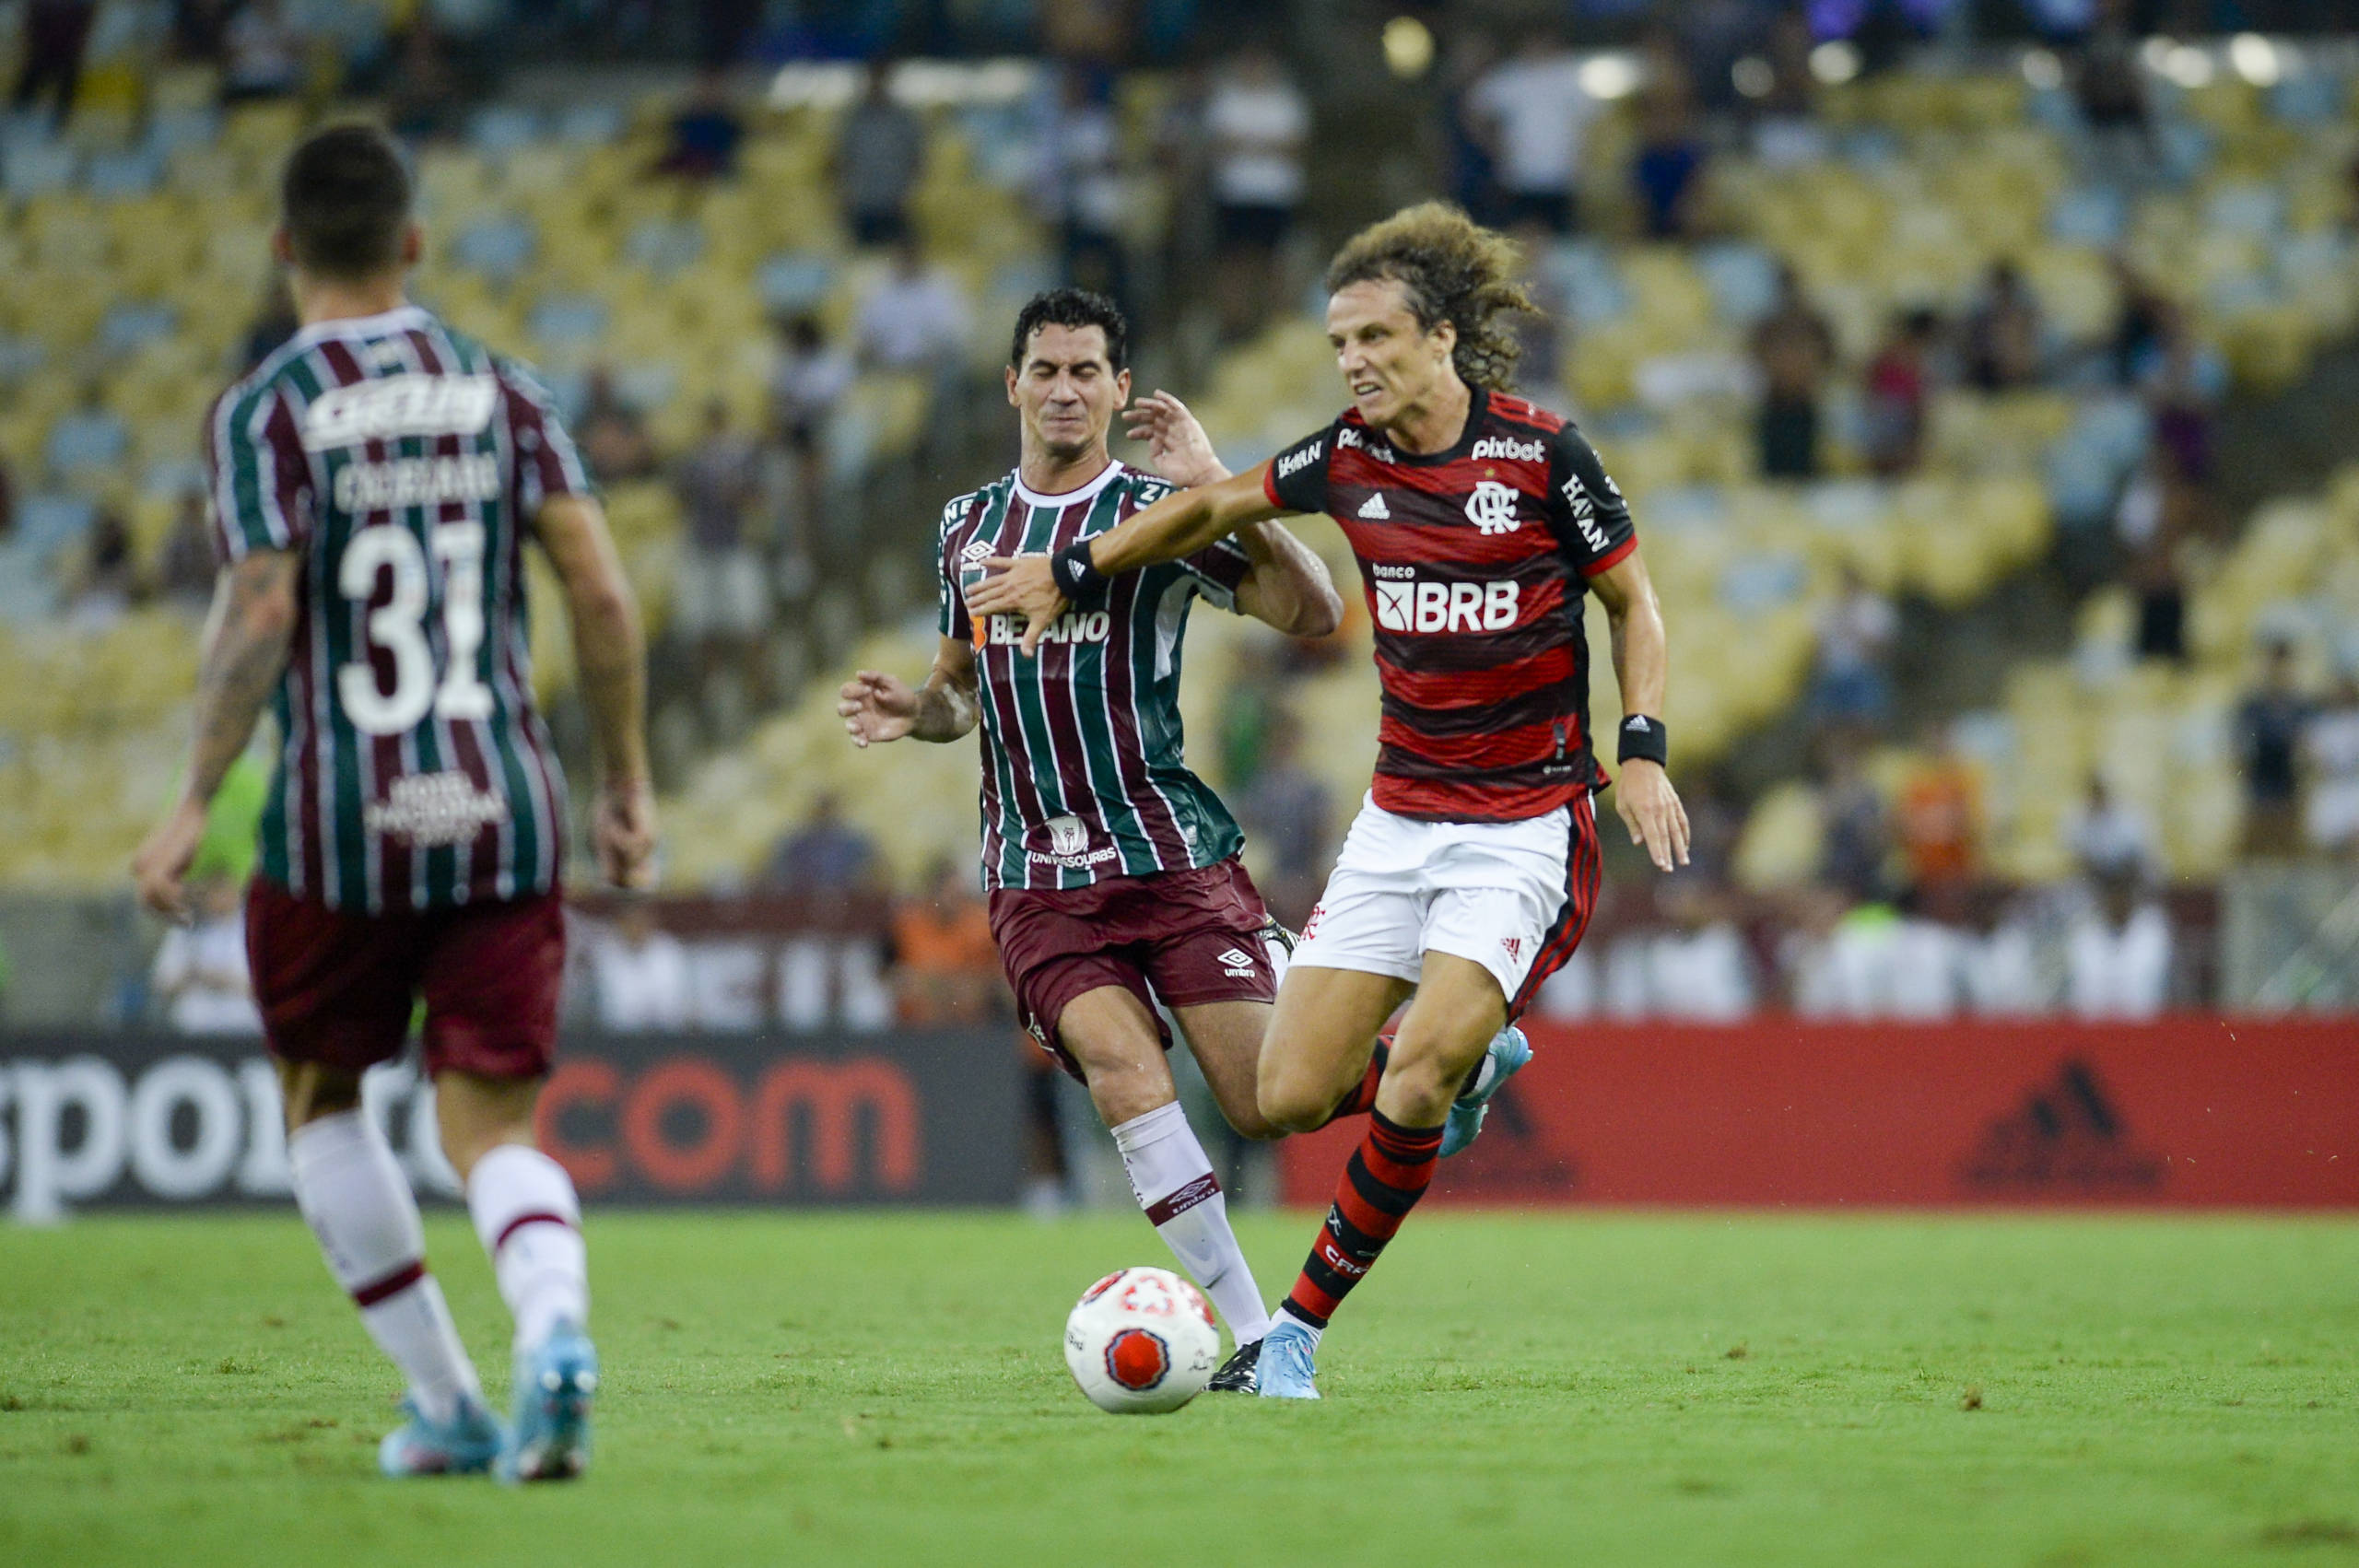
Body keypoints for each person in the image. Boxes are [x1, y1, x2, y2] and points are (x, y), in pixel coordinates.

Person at [968, 205, 1688, 1398]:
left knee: (1411, 1078)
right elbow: (1208, 511)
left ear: (1443, 337)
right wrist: (1072, 565)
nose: (1351, 360)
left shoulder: (1544, 457)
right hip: (1399, 818)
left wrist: (1645, 746)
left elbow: (1635, 603)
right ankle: (1448, 1064)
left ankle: (1290, 1331)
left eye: (1373, 336)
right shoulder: (1345, 455)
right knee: (1283, 1098)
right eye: (1339, 338)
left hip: (1524, 820)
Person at [130, 125, 655, 1482]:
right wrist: (628, 783)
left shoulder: (264, 411)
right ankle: (554, 1333)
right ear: (415, 243)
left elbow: (257, 606)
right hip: (504, 803)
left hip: (336, 822)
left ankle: (453, 1403)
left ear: (283, 248)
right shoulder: (504, 388)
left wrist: (194, 797)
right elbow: (601, 592)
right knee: (488, 1120)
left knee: (322, 1095)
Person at [842, 287, 1388, 1395]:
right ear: (1012, 385)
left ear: (1119, 388)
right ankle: (1257, 1340)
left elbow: (1315, 610)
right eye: (1044, 370)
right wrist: (920, 715)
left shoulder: (1158, 510)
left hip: (1170, 855)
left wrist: (1219, 483)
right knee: (1121, 1070)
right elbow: (958, 692)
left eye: (1086, 370)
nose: (1063, 389)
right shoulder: (965, 528)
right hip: (1037, 875)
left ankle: (1435, 1056)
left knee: (1271, 1102)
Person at [1464, 30, 1602, 236]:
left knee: (1560, 242)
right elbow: (1474, 110)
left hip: (1562, 176)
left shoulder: (1569, 76)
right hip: (1520, 177)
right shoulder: (1511, 77)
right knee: (1521, 238)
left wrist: (1585, 157)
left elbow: (1596, 120)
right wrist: (1493, 148)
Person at [150, 874, 264, 1035]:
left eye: (225, 890)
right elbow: (162, 983)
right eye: (214, 891)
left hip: (243, 1029)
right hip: (193, 1029)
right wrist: (194, 975)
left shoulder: (254, 929)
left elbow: (264, 986)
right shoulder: (186, 930)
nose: (219, 897)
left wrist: (223, 980)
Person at [1751, 264, 1835, 480]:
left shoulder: (1813, 323)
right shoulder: (1768, 325)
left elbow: (1830, 355)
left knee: (1804, 466)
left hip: (1803, 399)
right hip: (1775, 401)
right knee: (1773, 469)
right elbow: (1753, 359)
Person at [835, 59, 925, 248]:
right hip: (862, 201)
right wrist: (847, 193)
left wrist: (910, 192)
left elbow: (917, 158)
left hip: (896, 201)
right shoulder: (853, 118)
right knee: (861, 260)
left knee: (895, 251)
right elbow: (841, 159)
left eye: (881, 78)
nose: (877, 84)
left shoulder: (903, 118)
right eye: (873, 78)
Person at [2237, 640, 2311, 858]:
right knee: (2257, 835)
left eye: (2283, 664)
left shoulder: (2302, 706)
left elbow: (2307, 743)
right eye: (2273, 664)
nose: (2278, 670)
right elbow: (2240, 743)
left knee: (2289, 837)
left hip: (2289, 776)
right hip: (2260, 776)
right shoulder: (2252, 705)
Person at [586, 900, 692, 1031]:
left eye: (641, 920)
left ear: (652, 922)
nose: (636, 927)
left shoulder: (669, 950)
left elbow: (673, 1002)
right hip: (616, 1036)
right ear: (619, 923)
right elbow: (612, 1006)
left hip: (666, 1033)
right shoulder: (604, 952)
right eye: (630, 921)